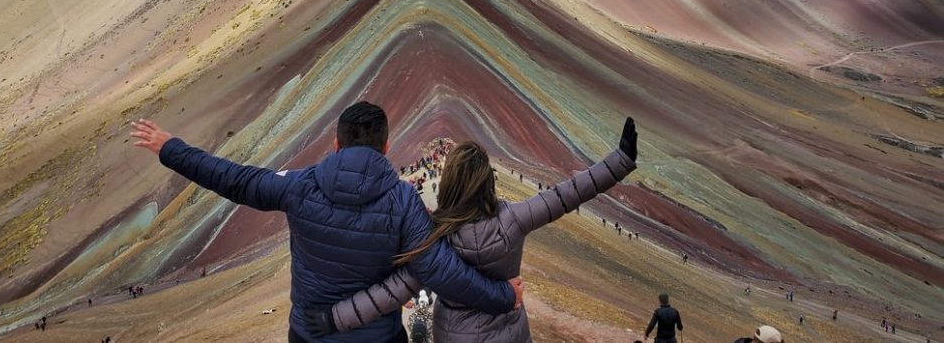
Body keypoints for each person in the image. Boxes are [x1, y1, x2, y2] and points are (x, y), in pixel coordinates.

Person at [130, 102, 521, 343]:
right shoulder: (403, 201)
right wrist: (505, 297)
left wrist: (170, 148)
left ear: (336, 144)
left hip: (308, 334)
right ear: (386, 147)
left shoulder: (299, 186)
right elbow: (441, 270)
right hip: (378, 337)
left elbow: (234, 179)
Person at [316, 118, 639, 342]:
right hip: (510, 333)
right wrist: (621, 159)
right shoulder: (516, 218)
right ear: (488, 181)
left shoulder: (433, 234)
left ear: (449, 183)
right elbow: (567, 194)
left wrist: (333, 318)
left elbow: (393, 291)